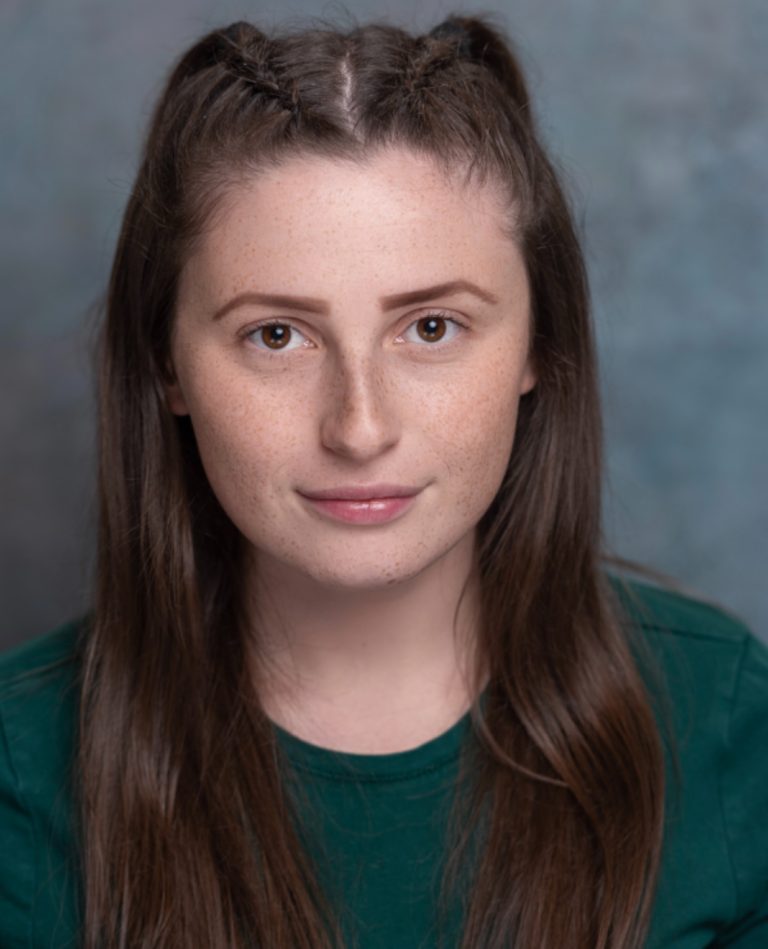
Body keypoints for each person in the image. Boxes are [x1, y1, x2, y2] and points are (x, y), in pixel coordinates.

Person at [0, 12, 766, 949]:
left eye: (432, 327)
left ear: (538, 346)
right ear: (167, 368)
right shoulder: (17, 773)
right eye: (275, 334)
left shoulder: (729, 721)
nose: (360, 427)